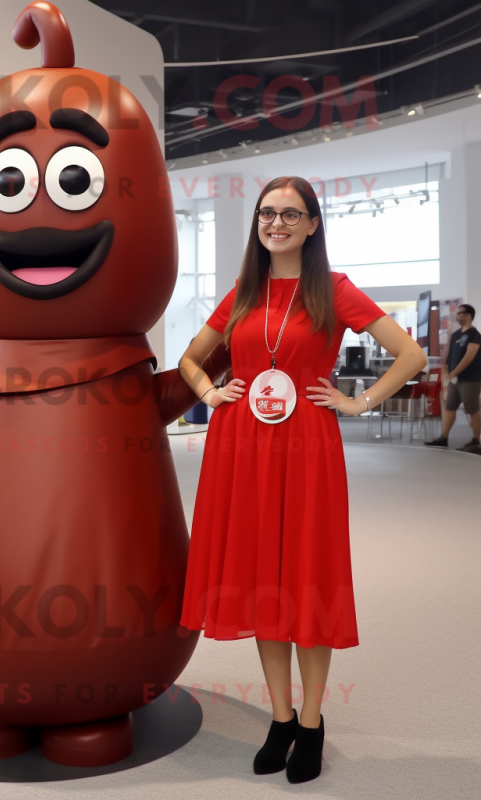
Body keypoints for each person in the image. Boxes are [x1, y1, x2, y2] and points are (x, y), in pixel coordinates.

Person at [178, 176, 426, 784]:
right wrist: (212, 391)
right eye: (267, 213)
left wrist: (359, 402)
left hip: (306, 448)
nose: (277, 223)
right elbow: (190, 359)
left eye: (291, 214)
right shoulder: (243, 290)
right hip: (241, 448)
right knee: (264, 577)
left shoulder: (333, 290)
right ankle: (281, 717)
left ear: (313, 224)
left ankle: (313, 723)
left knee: (306, 579)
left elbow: (411, 355)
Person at [424, 303, 481, 450]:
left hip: (470, 379)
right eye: (458, 312)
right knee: (449, 407)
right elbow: (450, 356)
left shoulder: (475, 335)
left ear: (469, 316)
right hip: (454, 380)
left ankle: (476, 441)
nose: (459, 315)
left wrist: (454, 373)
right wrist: (447, 371)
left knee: (472, 408)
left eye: (463, 312)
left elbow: (469, 357)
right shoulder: (456, 335)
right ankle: (444, 437)